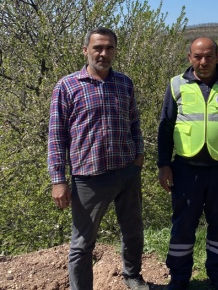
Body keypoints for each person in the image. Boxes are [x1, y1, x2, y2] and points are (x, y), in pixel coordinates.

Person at [48, 27, 148, 290]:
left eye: (109, 48)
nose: (103, 53)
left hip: (126, 171)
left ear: (115, 50)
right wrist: (58, 180)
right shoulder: (67, 86)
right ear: (86, 50)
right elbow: (56, 136)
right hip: (89, 178)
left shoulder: (124, 82)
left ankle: (133, 276)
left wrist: (138, 155)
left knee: (133, 231)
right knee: (82, 242)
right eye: (97, 48)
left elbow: (134, 122)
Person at [157, 37, 218, 290]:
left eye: (209, 56)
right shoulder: (177, 85)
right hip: (186, 168)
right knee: (183, 224)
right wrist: (163, 163)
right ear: (190, 58)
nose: (203, 61)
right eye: (198, 56)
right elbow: (165, 126)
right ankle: (179, 277)